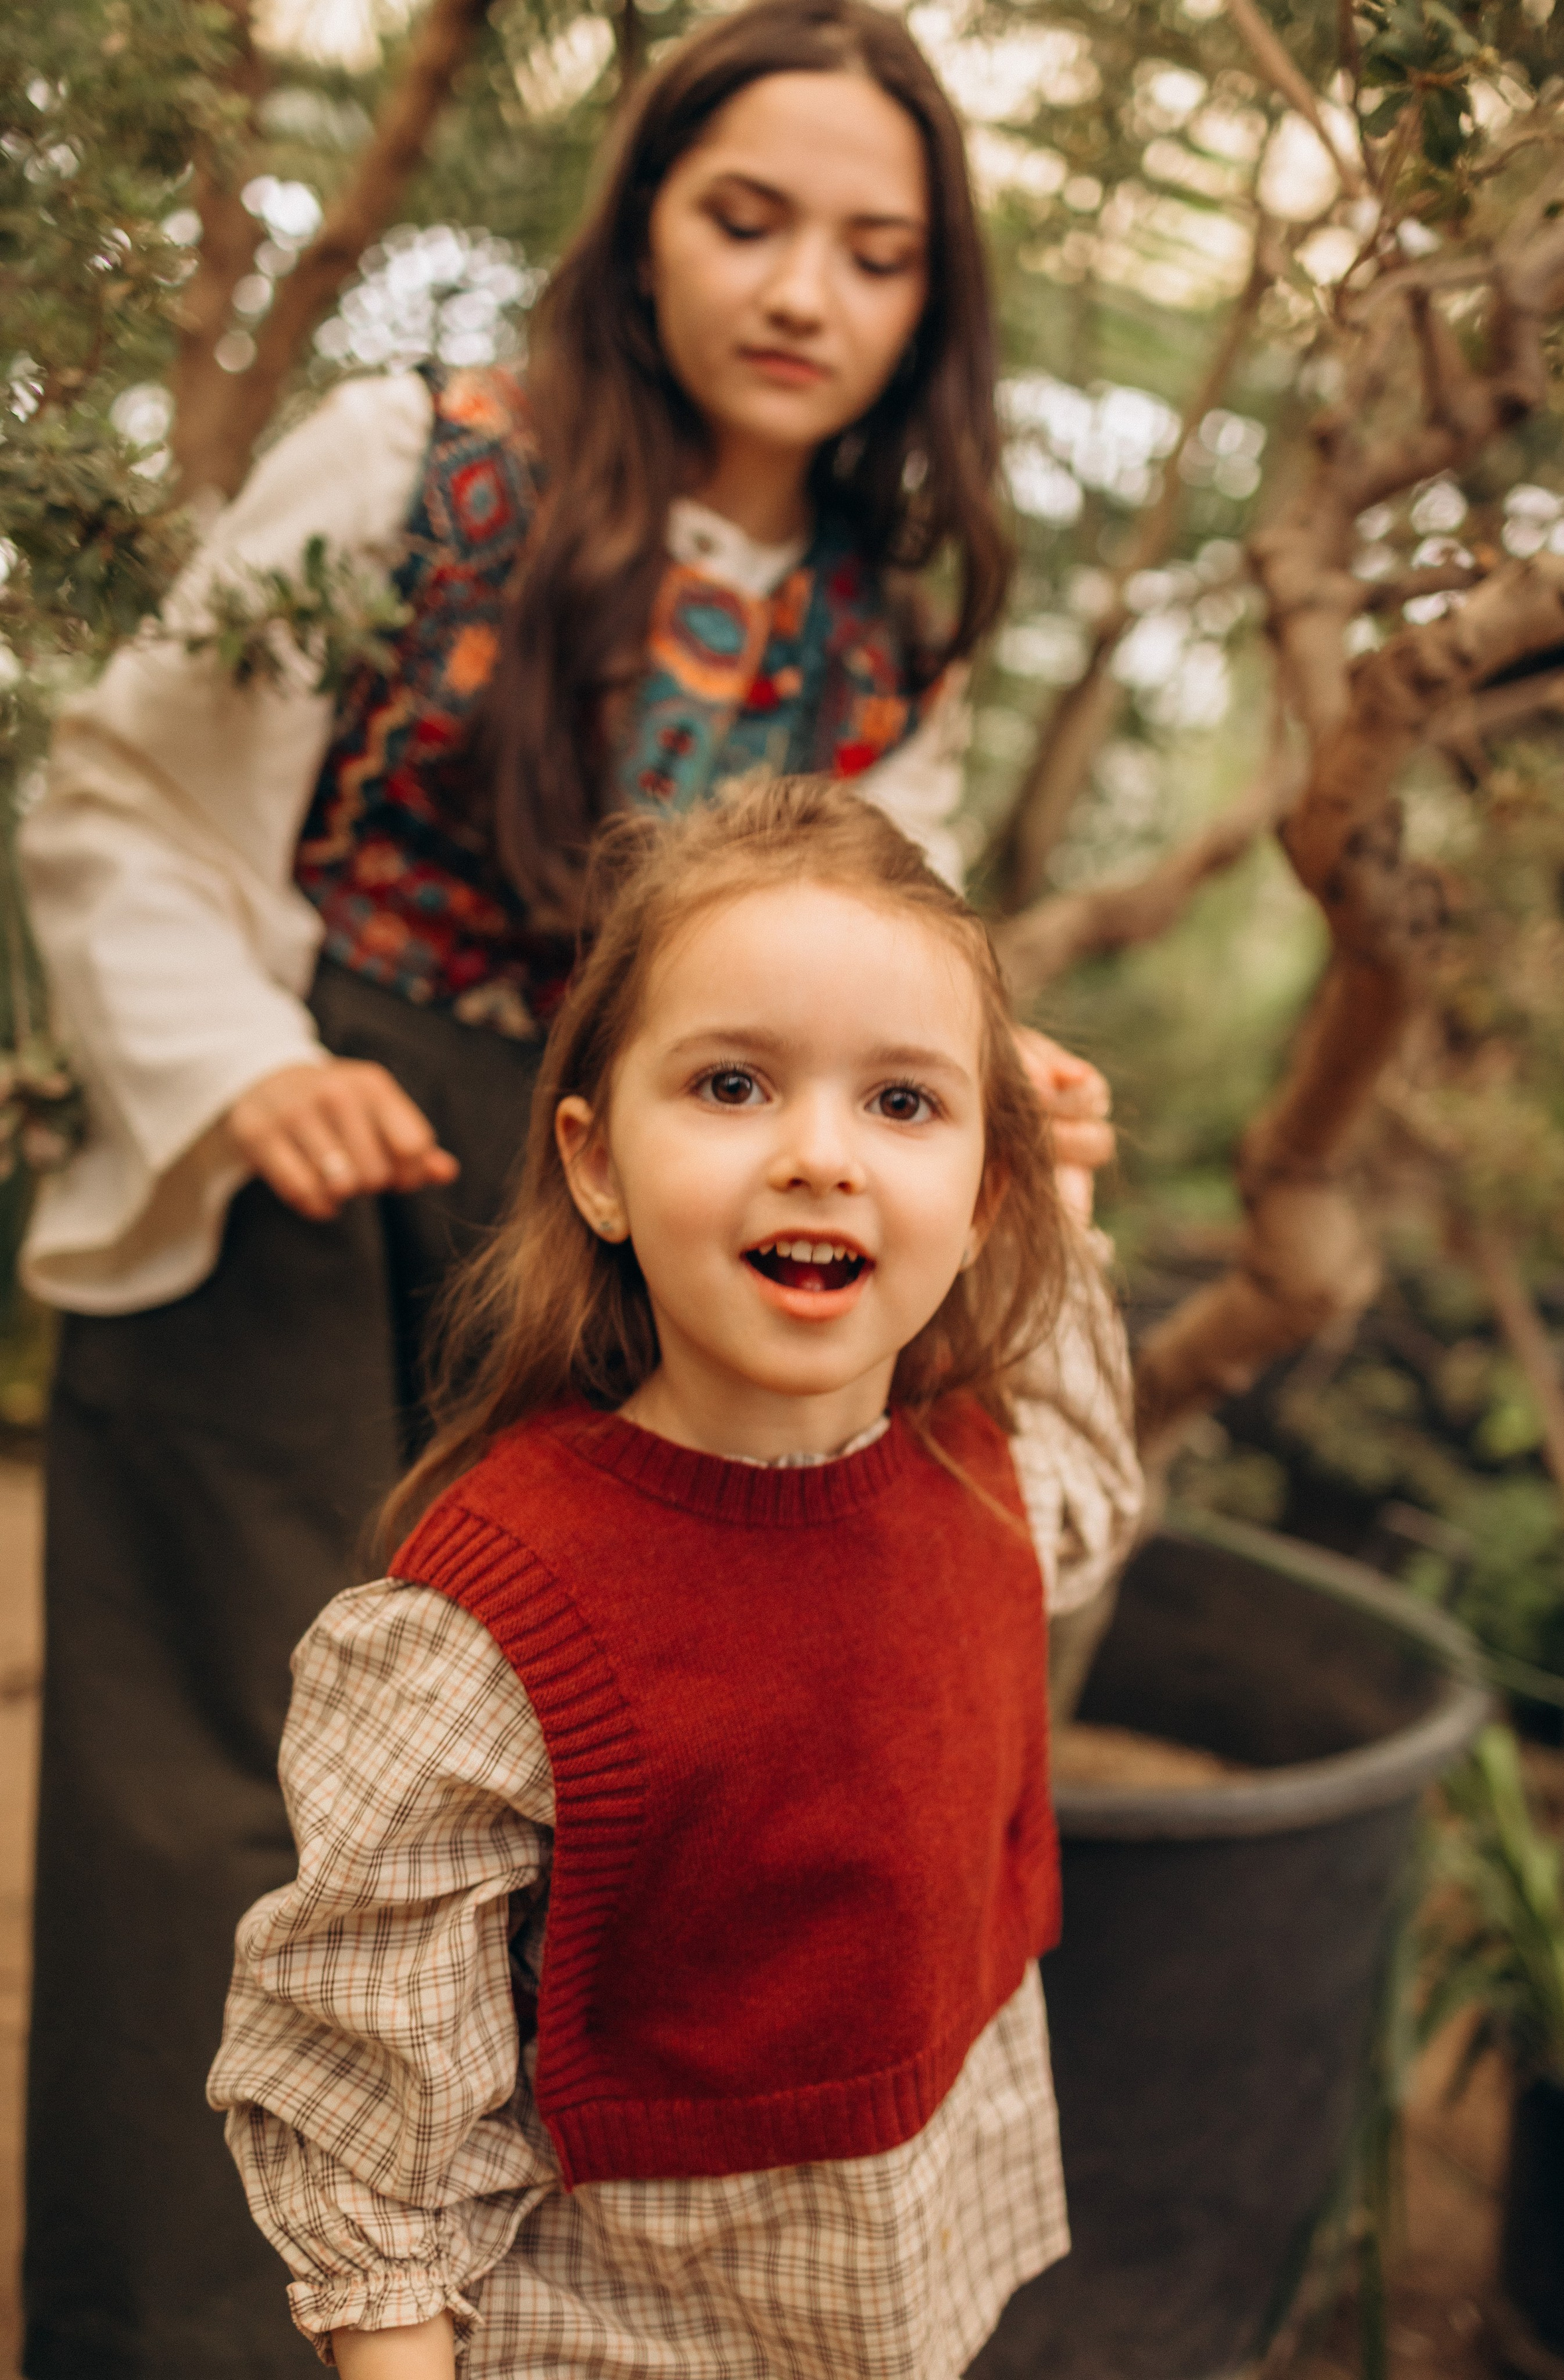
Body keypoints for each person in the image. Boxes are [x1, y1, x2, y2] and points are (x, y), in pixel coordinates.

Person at [18, 5, 1121, 2371]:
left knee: (535, 1823)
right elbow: (120, 796)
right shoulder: (417, 466)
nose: (804, 288)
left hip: (659, 1218)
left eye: (875, 248)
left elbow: (846, 945)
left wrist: (965, 1081)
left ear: (936, 301)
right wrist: (232, 1075)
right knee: (208, 1809)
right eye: (747, 218)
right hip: (333, 1157)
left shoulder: (880, 631)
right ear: (638, 233)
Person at [209, 775, 1143, 2378]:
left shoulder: (979, 1482)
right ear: (595, 1164)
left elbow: (1084, 1481)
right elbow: (377, 2115)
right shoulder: (491, 1620)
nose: (819, 1158)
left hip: (899, 2300)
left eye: (902, 1106)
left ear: (975, 1192)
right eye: (731, 1083)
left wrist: (1058, 1199)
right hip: (627, 2331)